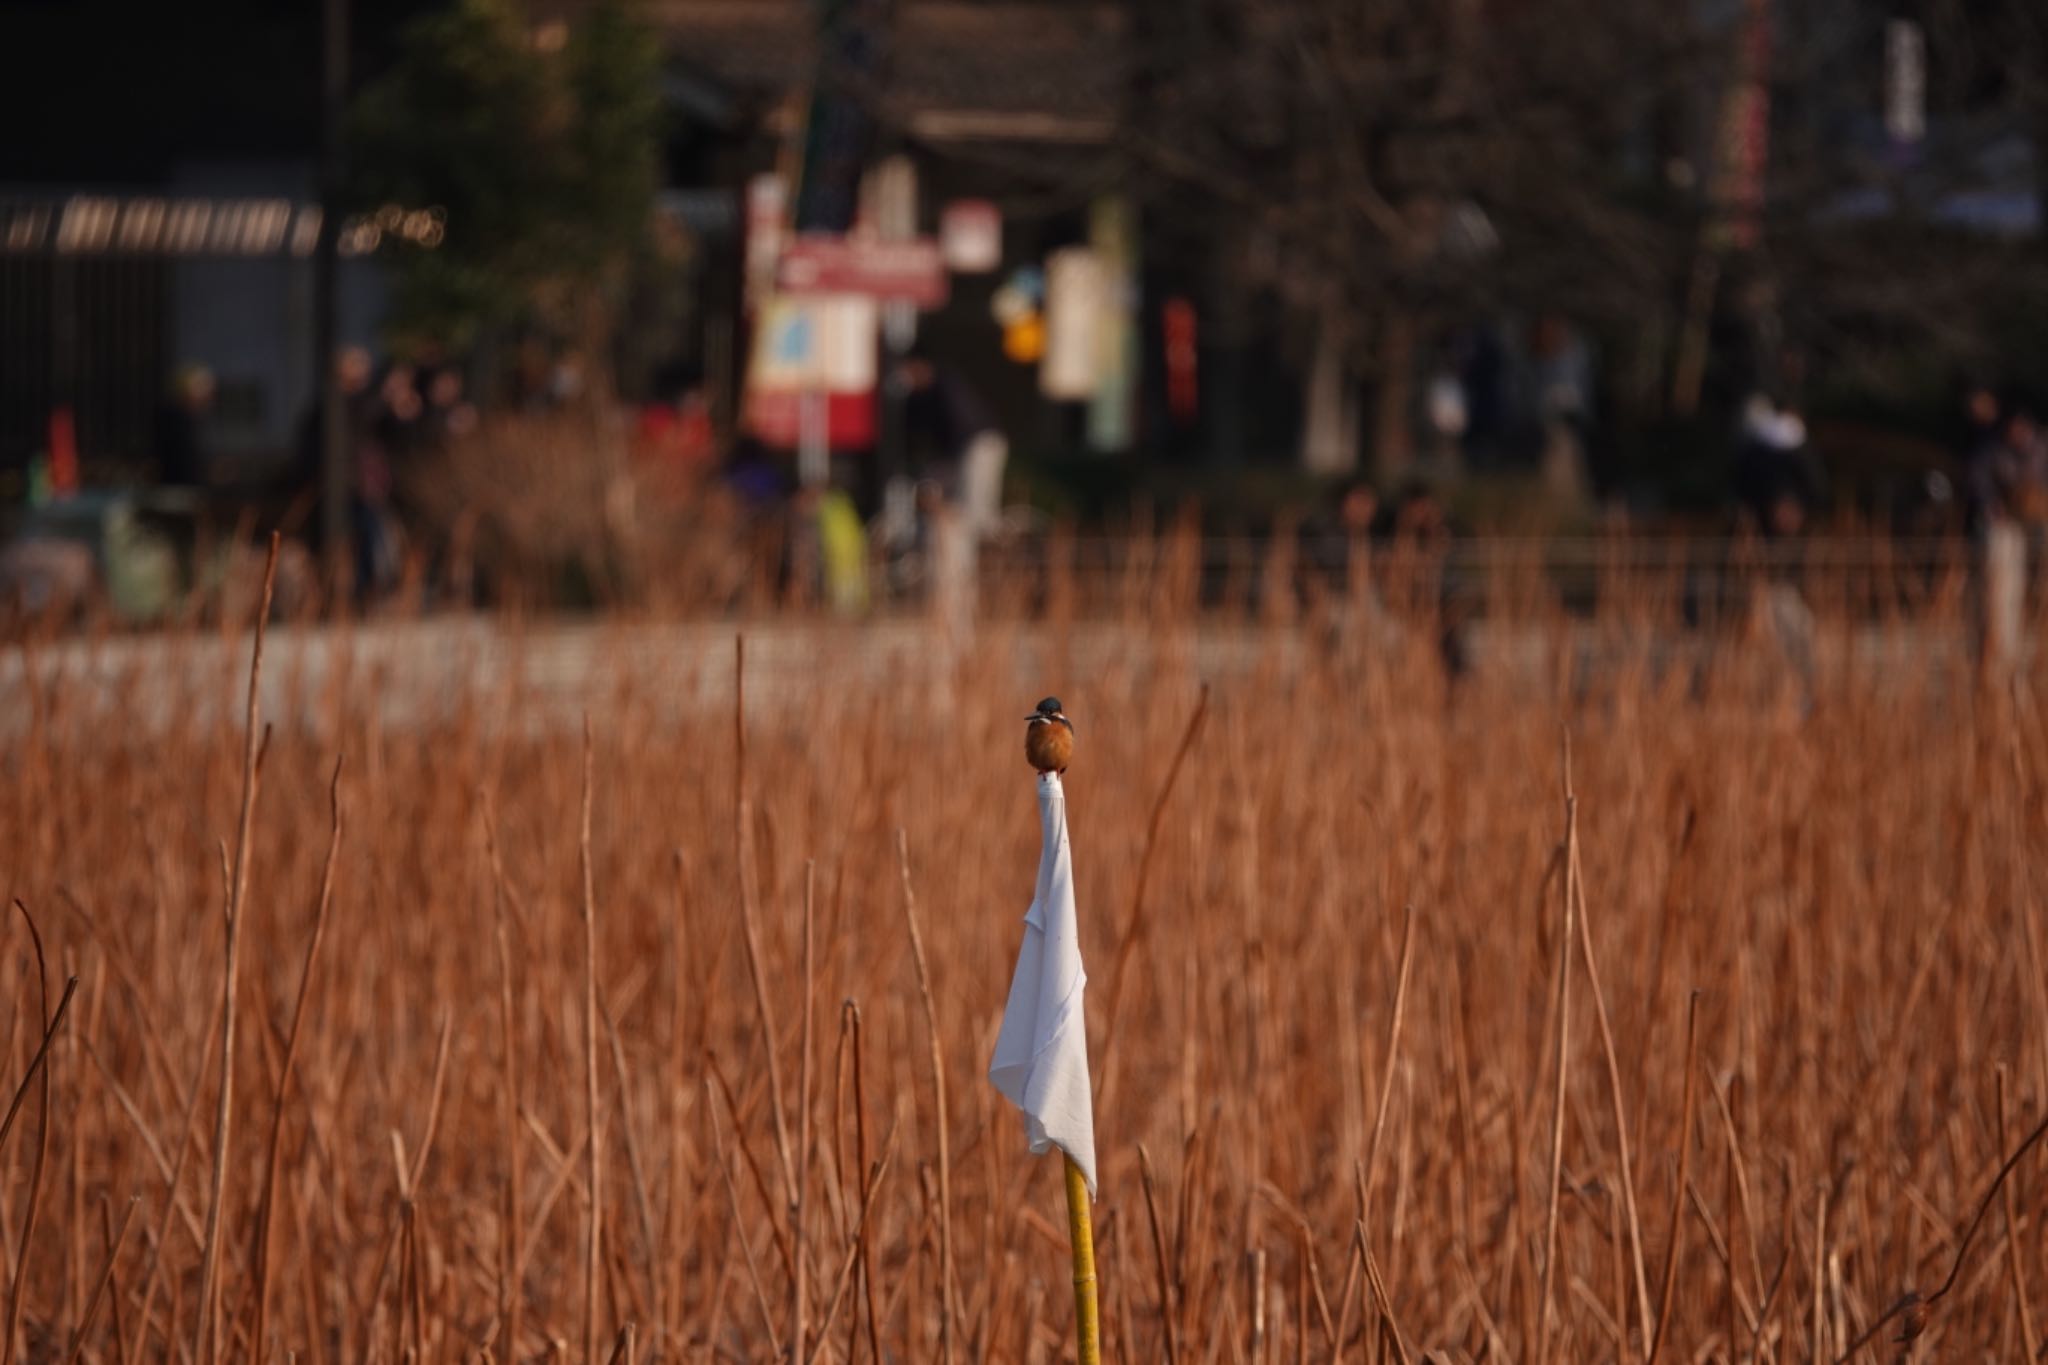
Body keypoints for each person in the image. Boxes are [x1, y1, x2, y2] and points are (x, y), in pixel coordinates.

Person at [153, 365, 214, 487]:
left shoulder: (191, 419)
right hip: (175, 490)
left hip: (186, 488)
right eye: (202, 386)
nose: (208, 395)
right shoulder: (174, 418)